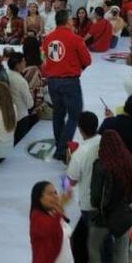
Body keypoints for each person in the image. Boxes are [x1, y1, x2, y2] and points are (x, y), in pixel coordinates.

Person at [85, 130, 132, 263]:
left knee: (94, 249)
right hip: (123, 217)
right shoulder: (130, 163)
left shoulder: (100, 165)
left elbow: (95, 196)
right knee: (122, 253)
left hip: (102, 217)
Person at [41, 9, 92, 161]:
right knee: (75, 115)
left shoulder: (48, 39)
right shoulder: (75, 38)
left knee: (58, 113)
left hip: (52, 81)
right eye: (71, 19)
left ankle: (60, 144)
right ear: (67, 21)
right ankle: (62, 149)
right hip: (69, 81)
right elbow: (87, 60)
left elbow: (48, 58)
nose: (73, 21)